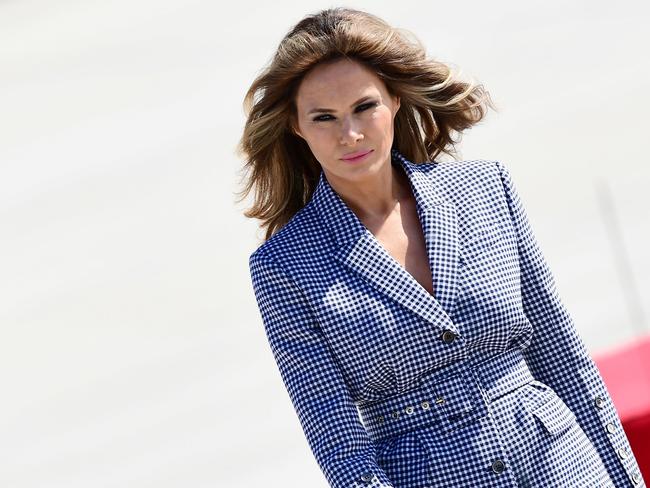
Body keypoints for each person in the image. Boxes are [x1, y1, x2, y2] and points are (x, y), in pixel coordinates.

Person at [237, 7, 645, 488]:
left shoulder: (486, 189)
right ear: (296, 127)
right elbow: (340, 446)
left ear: (394, 99)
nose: (350, 134)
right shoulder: (283, 265)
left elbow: (564, 359)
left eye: (364, 107)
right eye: (324, 117)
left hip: (566, 466)